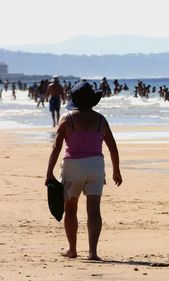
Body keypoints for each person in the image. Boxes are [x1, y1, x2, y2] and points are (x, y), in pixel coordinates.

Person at [45, 81, 122, 260]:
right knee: (94, 210)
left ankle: (72, 250)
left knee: (70, 209)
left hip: (73, 166)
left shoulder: (67, 118)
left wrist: (49, 172)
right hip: (95, 166)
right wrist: (116, 170)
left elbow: (56, 147)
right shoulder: (100, 120)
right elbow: (112, 147)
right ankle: (93, 252)